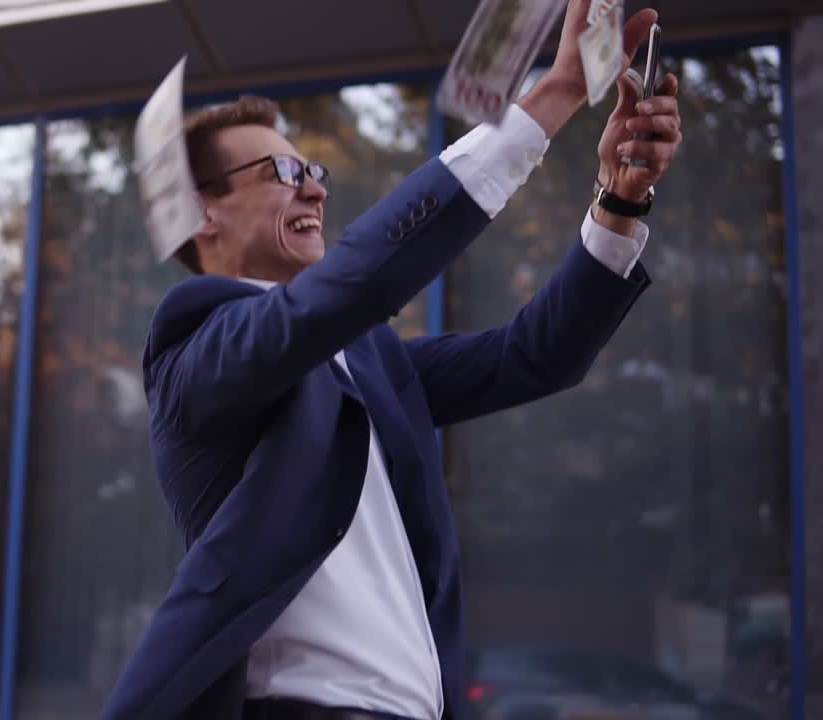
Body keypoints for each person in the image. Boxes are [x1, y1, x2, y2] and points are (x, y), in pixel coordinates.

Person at [102, 0, 683, 718]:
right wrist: (557, 90)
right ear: (203, 212)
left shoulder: (368, 358)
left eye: (312, 166)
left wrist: (620, 202)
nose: (315, 184)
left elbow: (536, 357)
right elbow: (352, 285)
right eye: (283, 169)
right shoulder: (195, 348)